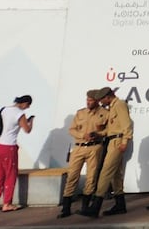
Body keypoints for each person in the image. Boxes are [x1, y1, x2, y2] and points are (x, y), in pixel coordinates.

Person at [58, 90, 108, 218]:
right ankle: (66, 208)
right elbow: (72, 129)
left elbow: (108, 130)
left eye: (91, 100)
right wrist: (82, 135)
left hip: (95, 147)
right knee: (72, 176)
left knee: (91, 178)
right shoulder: (80, 113)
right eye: (87, 100)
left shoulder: (105, 113)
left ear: (97, 101)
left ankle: (85, 207)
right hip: (79, 147)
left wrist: (98, 134)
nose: (88, 102)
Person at [93, 87, 132, 216]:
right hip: (112, 140)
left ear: (107, 97)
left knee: (106, 172)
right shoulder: (113, 107)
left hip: (117, 141)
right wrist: (98, 134)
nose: (101, 103)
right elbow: (111, 129)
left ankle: (95, 206)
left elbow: (127, 124)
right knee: (116, 175)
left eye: (101, 100)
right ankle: (120, 205)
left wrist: (125, 141)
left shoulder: (119, 104)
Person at [0, 95, 32, 212]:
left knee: (0, 175)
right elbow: (27, 130)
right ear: (25, 103)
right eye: (28, 105)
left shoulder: (4, 109)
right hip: (9, 147)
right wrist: (30, 122)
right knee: (10, 175)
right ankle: (7, 203)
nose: (27, 108)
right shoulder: (19, 114)